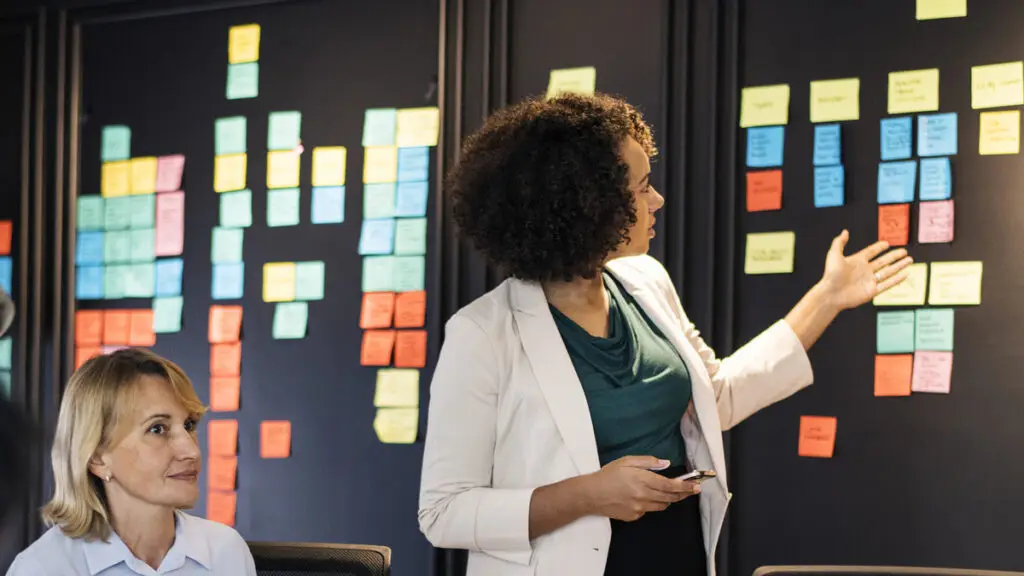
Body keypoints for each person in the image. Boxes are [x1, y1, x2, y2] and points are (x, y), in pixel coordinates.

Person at [417, 93, 913, 576]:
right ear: (586, 205)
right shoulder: (482, 333)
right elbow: (444, 512)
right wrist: (590, 493)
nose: (657, 199)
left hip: (675, 549)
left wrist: (826, 298)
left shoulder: (646, 280)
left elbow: (716, 398)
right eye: (641, 187)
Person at [6, 348, 256, 575]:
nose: (191, 451)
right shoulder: (44, 568)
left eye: (189, 425)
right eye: (158, 429)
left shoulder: (226, 551)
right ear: (96, 457)